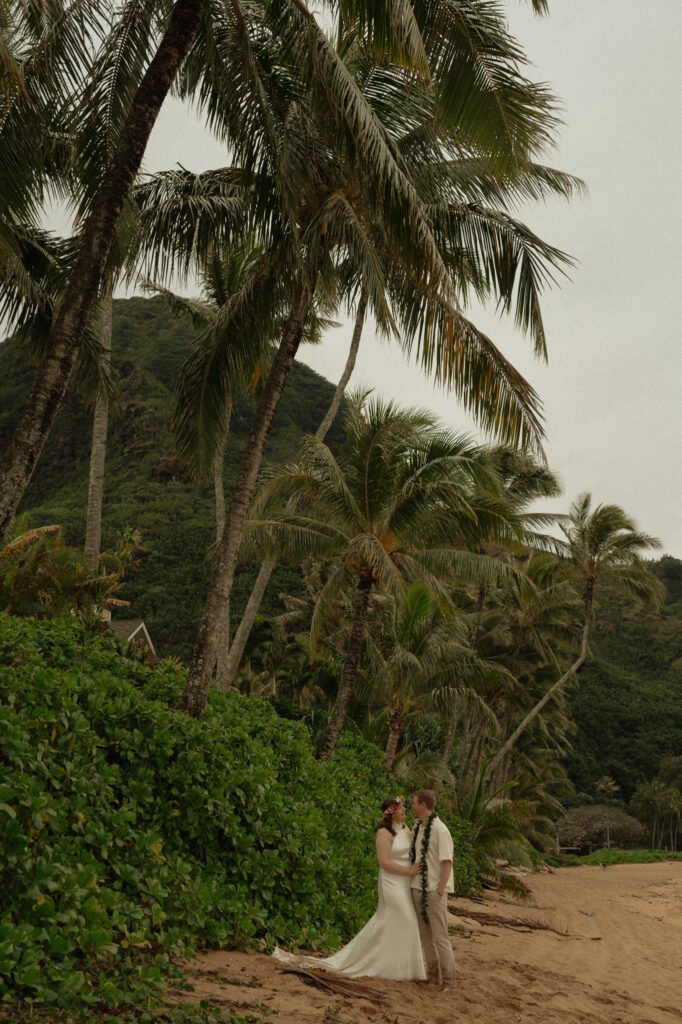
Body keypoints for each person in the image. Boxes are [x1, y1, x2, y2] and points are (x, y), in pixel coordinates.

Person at [272, 796, 426, 980]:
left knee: (402, 922)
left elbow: (411, 850)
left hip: (404, 884)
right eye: (400, 808)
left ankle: (400, 967)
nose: (404, 811)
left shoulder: (405, 829)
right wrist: (409, 872)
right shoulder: (384, 833)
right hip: (392, 882)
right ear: (391, 814)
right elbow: (383, 862)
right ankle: (388, 966)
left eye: (403, 808)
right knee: (404, 918)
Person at [410, 789, 456, 989]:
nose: (412, 806)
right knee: (426, 936)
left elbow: (447, 862)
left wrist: (440, 889)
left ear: (423, 805)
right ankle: (434, 977)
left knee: (440, 937)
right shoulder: (418, 826)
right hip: (417, 888)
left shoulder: (440, 829)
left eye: (414, 802)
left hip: (434, 891)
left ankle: (449, 981)